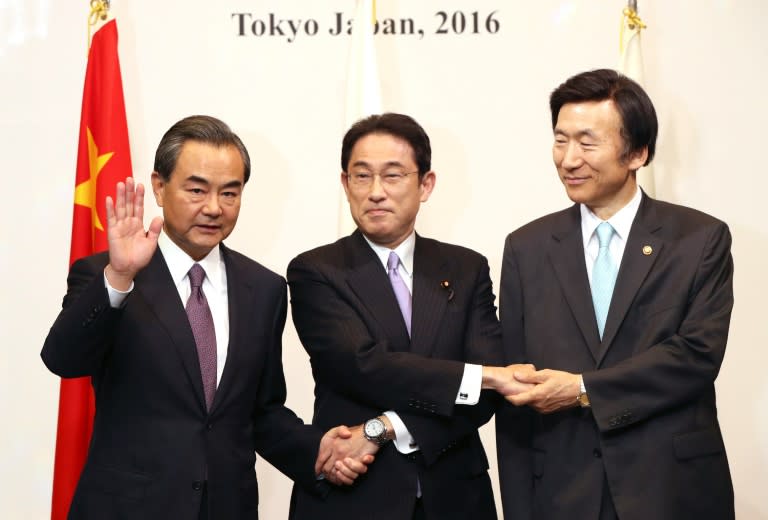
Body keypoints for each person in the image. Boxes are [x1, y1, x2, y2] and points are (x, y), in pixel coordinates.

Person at [41, 115, 370, 519]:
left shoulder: (264, 289)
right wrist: (120, 275)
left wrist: (317, 450)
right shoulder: (105, 274)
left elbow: (260, 410)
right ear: (160, 188)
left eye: (230, 193)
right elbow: (63, 359)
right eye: (197, 190)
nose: (214, 208)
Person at [495, 69, 735, 520]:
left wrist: (583, 389)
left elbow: (696, 356)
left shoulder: (699, 239)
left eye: (587, 143)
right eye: (560, 140)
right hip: (562, 494)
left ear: (637, 153)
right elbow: (517, 390)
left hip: (670, 490)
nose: (568, 159)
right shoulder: (526, 248)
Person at [287, 113, 530, 520]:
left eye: (393, 176)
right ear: (345, 184)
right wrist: (478, 376)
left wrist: (382, 429)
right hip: (353, 496)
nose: (376, 192)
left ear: (426, 184)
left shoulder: (466, 268)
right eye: (361, 176)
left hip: (455, 497)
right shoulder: (316, 270)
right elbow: (364, 366)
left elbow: (484, 398)